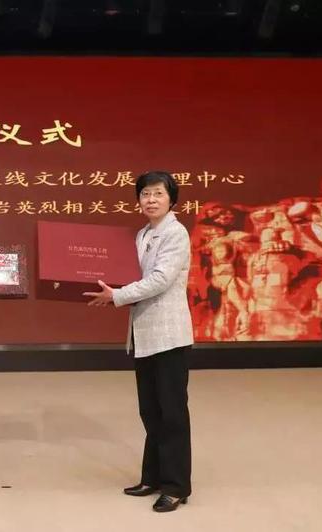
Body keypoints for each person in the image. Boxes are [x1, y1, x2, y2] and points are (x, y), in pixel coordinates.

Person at [84, 170, 193, 513]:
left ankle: (176, 486)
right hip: (144, 333)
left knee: (171, 412)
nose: (151, 199)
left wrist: (116, 295)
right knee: (150, 410)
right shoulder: (143, 233)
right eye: (145, 194)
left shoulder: (176, 233)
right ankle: (153, 477)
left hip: (169, 335)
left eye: (158, 193)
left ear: (171, 199)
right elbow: (128, 273)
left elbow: (160, 280)